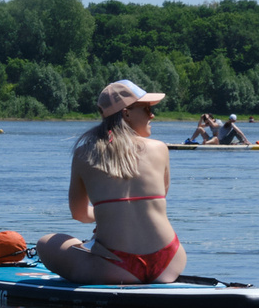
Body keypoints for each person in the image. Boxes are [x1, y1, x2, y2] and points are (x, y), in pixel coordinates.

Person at [37, 79, 188, 284]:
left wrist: (106, 215)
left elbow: (79, 214)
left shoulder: (84, 154)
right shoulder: (160, 148)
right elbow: (156, 201)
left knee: (46, 243)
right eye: (146, 108)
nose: (152, 115)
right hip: (169, 262)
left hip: (115, 268)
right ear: (126, 113)